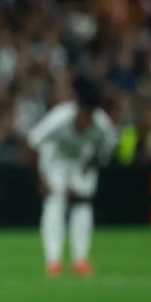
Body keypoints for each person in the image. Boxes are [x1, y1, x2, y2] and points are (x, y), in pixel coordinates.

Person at [27, 77, 117, 277]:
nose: (87, 121)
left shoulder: (102, 126)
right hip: (54, 161)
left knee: (82, 205)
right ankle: (53, 261)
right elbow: (32, 143)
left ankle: (81, 260)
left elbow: (105, 153)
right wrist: (41, 179)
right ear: (78, 110)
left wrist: (84, 175)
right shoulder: (61, 117)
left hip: (81, 163)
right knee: (54, 203)